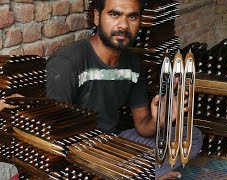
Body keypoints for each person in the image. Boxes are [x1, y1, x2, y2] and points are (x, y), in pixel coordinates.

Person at [45, 0, 203, 179]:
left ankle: (135, 174)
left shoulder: (133, 63)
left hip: (114, 141)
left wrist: (160, 120)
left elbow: (143, 126)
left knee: (191, 137)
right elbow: (53, 138)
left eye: (132, 17)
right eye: (114, 14)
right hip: (79, 152)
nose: (123, 25)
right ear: (97, 17)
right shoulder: (68, 62)